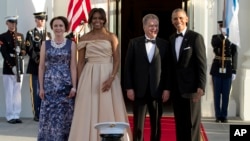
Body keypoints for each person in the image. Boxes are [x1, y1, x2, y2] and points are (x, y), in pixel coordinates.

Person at [68, 8, 132, 141]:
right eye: (94, 18)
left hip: (108, 75)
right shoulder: (85, 38)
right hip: (88, 76)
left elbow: (117, 59)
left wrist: (112, 78)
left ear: (104, 20)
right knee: (87, 107)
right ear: (90, 20)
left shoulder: (111, 37)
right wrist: (80, 83)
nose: (97, 21)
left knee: (107, 106)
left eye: (100, 18)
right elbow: (80, 63)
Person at [124, 13, 170, 141]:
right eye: (151, 26)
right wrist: (129, 88)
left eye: (156, 26)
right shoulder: (134, 43)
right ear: (144, 27)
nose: (154, 28)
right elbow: (128, 67)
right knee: (138, 125)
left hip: (157, 90)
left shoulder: (165, 44)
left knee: (156, 124)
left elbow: (167, 70)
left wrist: (167, 89)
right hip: (139, 91)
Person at [168, 8, 206, 141]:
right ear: (172, 21)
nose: (178, 21)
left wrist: (201, 87)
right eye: (175, 19)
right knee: (180, 124)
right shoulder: (171, 39)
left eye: (180, 18)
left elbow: (202, 64)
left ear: (186, 19)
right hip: (177, 89)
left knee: (192, 124)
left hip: (192, 89)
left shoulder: (196, 37)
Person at [37, 16, 77, 141]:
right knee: (48, 118)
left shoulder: (72, 44)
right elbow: (42, 66)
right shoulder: (45, 44)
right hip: (49, 88)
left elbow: (73, 67)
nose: (58, 28)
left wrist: (74, 87)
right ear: (52, 28)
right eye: (55, 25)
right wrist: (41, 87)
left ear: (65, 28)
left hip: (65, 88)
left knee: (65, 118)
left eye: (61, 25)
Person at [25, 11, 51, 122]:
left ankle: (45, 112)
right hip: (35, 67)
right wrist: (39, 60)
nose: (41, 21)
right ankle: (37, 113)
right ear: (36, 20)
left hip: (47, 67)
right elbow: (29, 49)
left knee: (45, 90)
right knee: (36, 91)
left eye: (43, 19)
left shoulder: (48, 34)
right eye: (39, 19)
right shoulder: (30, 33)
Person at [210, 21, 238, 123]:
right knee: (217, 94)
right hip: (217, 68)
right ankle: (218, 116)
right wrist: (223, 35)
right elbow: (215, 45)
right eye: (221, 26)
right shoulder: (215, 37)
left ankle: (224, 115)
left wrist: (234, 70)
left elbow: (235, 54)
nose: (222, 28)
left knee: (226, 94)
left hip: (228, 68)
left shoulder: (233, 39)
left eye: (225, 27)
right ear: (219, 28)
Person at [0, 15, 26, 124]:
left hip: (19, 65)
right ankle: (10, 116)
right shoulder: (2, 36)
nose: (13, 24)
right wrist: (12, 66)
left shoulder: (20, 35)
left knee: (17, 92)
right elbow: (4, 53)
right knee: (9, 92)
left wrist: (22, 52)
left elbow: (24, 49)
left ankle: (16, 114)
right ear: (7, 23)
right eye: (11, 22)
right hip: (8, 67)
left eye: (15, 23)